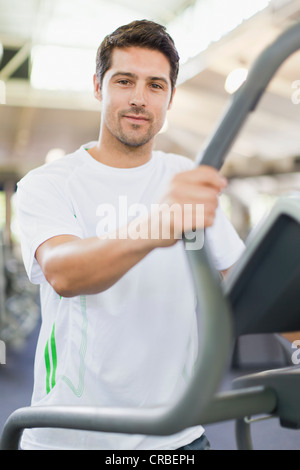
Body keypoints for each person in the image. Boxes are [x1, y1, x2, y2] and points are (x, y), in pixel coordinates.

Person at [16, 19, 245, 450]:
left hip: (175, 435)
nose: (139, 99)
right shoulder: (48, 183)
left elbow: (248, 279)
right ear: (99, 88)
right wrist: (159, 224)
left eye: (156, 86)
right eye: (125, 81)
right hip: (69, 437)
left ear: (171, 97)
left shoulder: (185, 177)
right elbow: (65, 274)